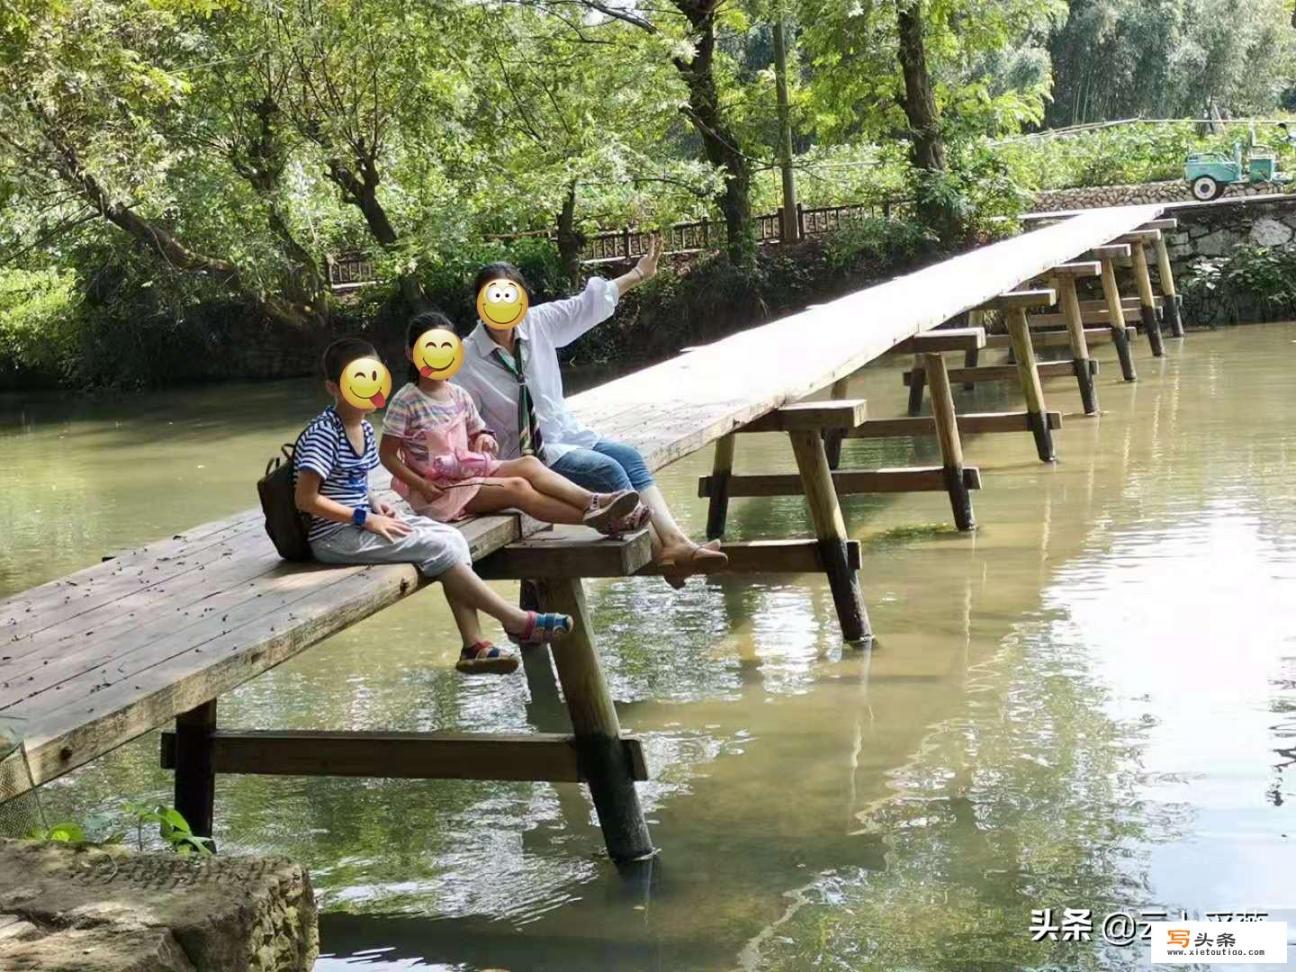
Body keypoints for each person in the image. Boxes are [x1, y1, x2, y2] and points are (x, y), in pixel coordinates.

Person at [454, 237, 727, 587]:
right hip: (526, 455)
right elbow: (456, 414)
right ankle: (665, 556)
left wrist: (638, 275)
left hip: (567, 433)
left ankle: (674, 544)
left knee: (627, 456)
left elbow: (587, 306)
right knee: (606, 469)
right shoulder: (464, 358)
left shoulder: (538, 323)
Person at [293, 336, 573, 675]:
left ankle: (474, 645)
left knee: (451, 538)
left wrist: (376, 504)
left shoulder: (364, 428)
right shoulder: (324, 432)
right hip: (335, 537)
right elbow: (306, 499)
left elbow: (352, 484)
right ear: (333, 387)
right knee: (436, 546)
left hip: (361, 522)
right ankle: (514, 620)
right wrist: (365, 519)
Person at [379, 311, 644, 532]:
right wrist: (421, 485)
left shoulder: (458, 394)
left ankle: (593, 501)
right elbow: (388, 455)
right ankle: (607, 520)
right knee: (517, 487)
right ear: (411, 354)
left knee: (528, 463)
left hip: (469, 472)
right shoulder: (406, 401)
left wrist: (484, 439)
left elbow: (480, 431)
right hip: (441, 492)